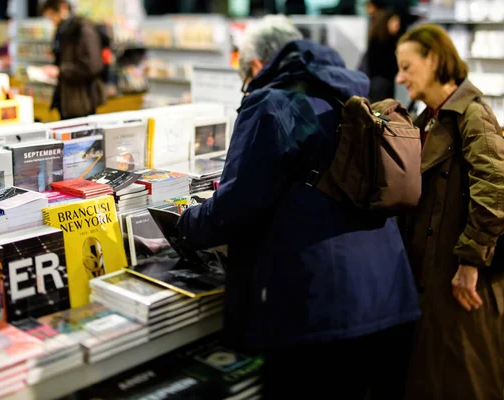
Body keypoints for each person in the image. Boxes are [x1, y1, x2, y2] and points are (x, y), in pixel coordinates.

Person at [176, 15, 420, 399]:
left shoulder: (273, 103)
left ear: (257, 65)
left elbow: (236, 205)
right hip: (387, 292)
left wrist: (185, 225)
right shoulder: (349, 94)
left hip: (318, 307)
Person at [396, 24, 504, 400]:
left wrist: (470, 263)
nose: (400, 76)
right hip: (437, 284)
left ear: (436, 60)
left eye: (407, 67)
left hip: (465, 287)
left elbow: (496, 188)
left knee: (468, 380)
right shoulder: (431, 118)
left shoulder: (471, 115)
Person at [40, 0, 106, 120]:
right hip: (67, 100)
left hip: (82, 100)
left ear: (62, 8)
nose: (51, 20)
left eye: (52, 15)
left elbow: (92, 65)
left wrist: (60, 71)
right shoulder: (63, 30)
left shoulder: (82, 29)